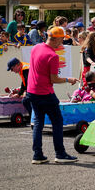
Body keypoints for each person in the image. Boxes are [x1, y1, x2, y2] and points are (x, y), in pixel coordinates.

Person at [25, 27, 79, 164]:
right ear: (55, 39)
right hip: (45, 93)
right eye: (62, 39)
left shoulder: (36, 48)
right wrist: (68, 79)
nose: (62, 42)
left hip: (32, 91)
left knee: (38, 122)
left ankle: (37, 155)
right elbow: (53, 79)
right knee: (57, 121)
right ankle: (60, 153)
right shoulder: (53, 56)